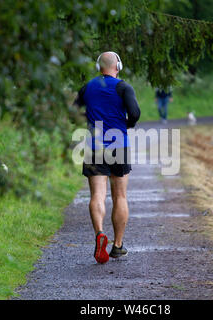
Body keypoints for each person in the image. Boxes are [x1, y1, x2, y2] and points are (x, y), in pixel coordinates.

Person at [73, 51, 141, 264]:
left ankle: (100, 233)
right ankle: (117, 246)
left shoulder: (88, 87)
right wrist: (126, 124)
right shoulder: (123, 87)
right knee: (120, 196)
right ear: (118, 66)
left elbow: (72, 113)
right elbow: (135, 112)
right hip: (118, 144)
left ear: (98, 66)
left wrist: (90, 119)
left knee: (97, 195)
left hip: (94, 146)